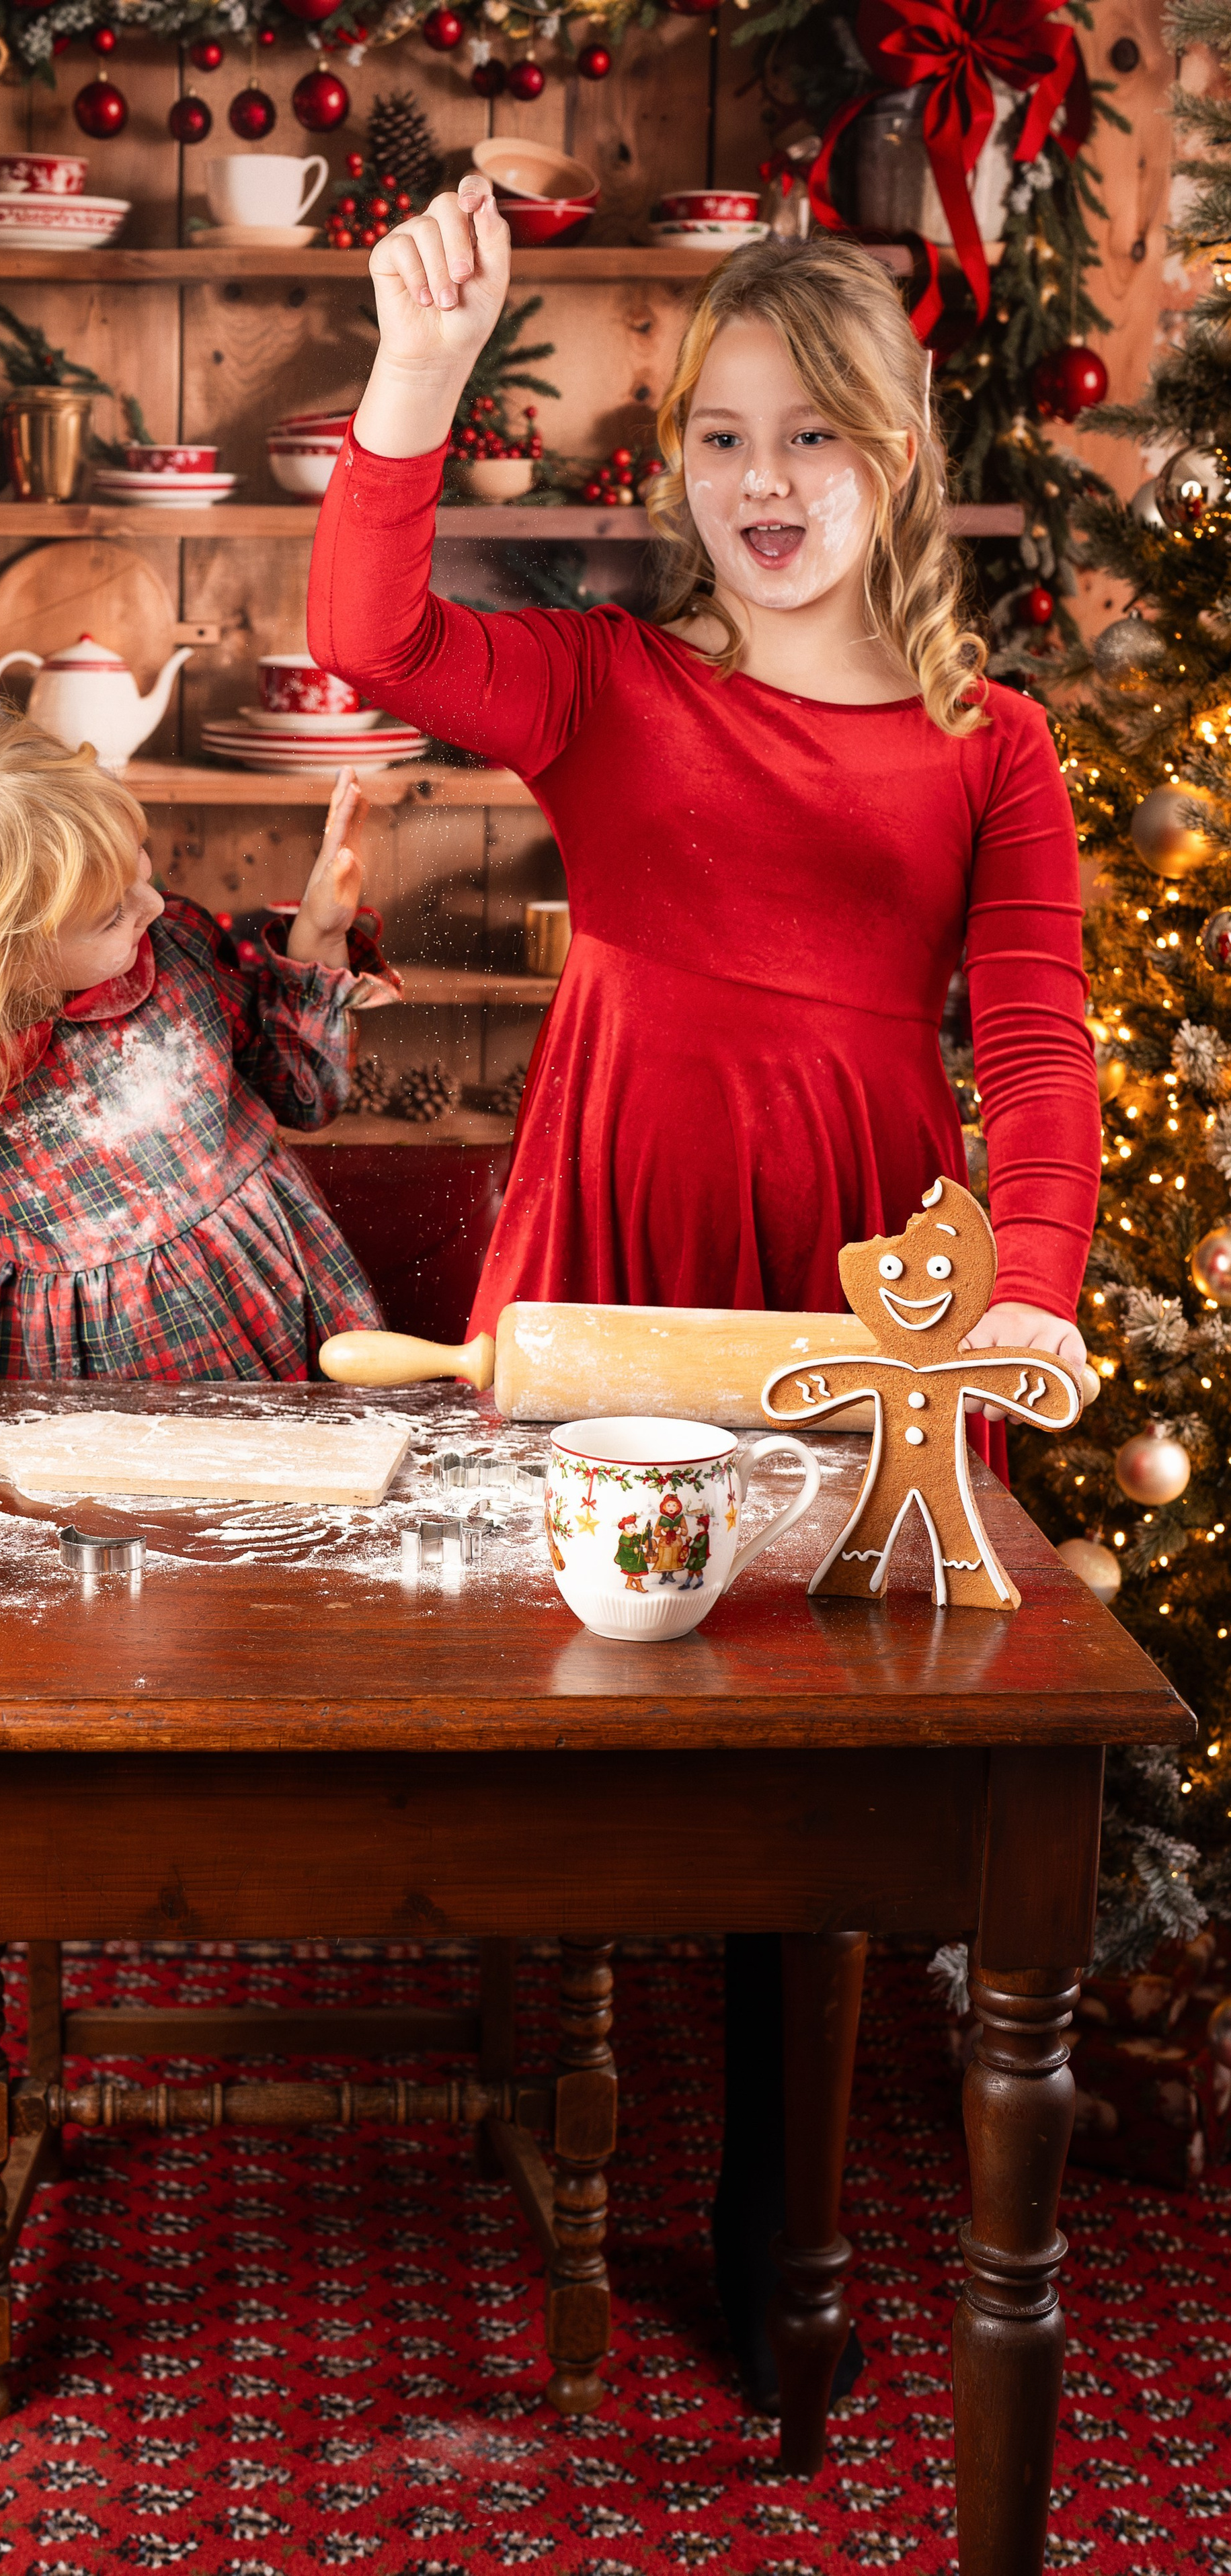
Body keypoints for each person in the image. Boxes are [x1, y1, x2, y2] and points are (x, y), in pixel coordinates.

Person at [308, 193, 1099, 2406]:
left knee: (820, 1752)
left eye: (813, 439)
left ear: (897, 457)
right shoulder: (605, 684)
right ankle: (516, 2172)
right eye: (724, 439)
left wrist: (1026, 1286)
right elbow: (369, 633)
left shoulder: (990, 742)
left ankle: (789, 2228)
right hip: (625, 1242)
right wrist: (414, 376)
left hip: (858, 1278)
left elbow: (1033, 1048)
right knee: (598, 1687)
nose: (765, 484)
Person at [0, 708, 385, 1378]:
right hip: (103, 1375)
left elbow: (304, 1094)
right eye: (114, 912)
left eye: (144, 871)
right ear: (0, 958)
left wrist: (318, 933)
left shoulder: (173, 952)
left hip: (288, 1304)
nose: (152, 904)